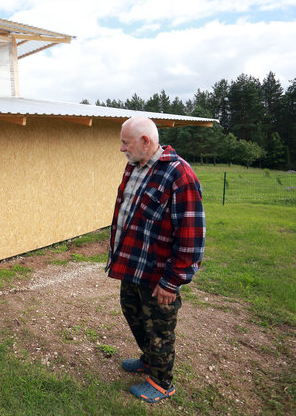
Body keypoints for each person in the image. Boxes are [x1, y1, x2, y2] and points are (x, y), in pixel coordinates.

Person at [105, 116, 205, 403]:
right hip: (133, 266)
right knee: (132, 311)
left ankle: (162, 383)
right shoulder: (135, 167)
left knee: (159, 326)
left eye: (126, 142)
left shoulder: (179, 175)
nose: (122, 149)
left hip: (159, 274)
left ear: (145, 141)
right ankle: (149, 360)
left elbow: (191, 236)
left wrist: (171, 282)